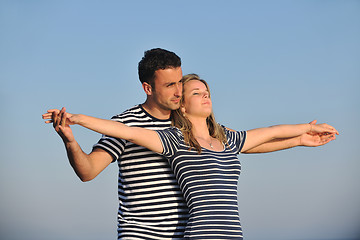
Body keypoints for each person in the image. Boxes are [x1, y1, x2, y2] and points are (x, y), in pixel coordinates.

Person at [43, 74, 339, 239]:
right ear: (182, 106)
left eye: (206, 91)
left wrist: (302, 135)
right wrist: (78, 119)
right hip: (195, 234)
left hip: (233, 234)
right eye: (196, 93)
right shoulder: (173, 140)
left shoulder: (225, 137)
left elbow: (265, 134)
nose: (205, 95)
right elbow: (126, 132)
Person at [44, 48, 190, 239]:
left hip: (185, 234)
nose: (179, 91)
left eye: (180, 82)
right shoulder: (124, 123)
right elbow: (88, 171)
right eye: (170, 85)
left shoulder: (188, 123)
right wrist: (70, 141)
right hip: (139, 234)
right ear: (148, 88)